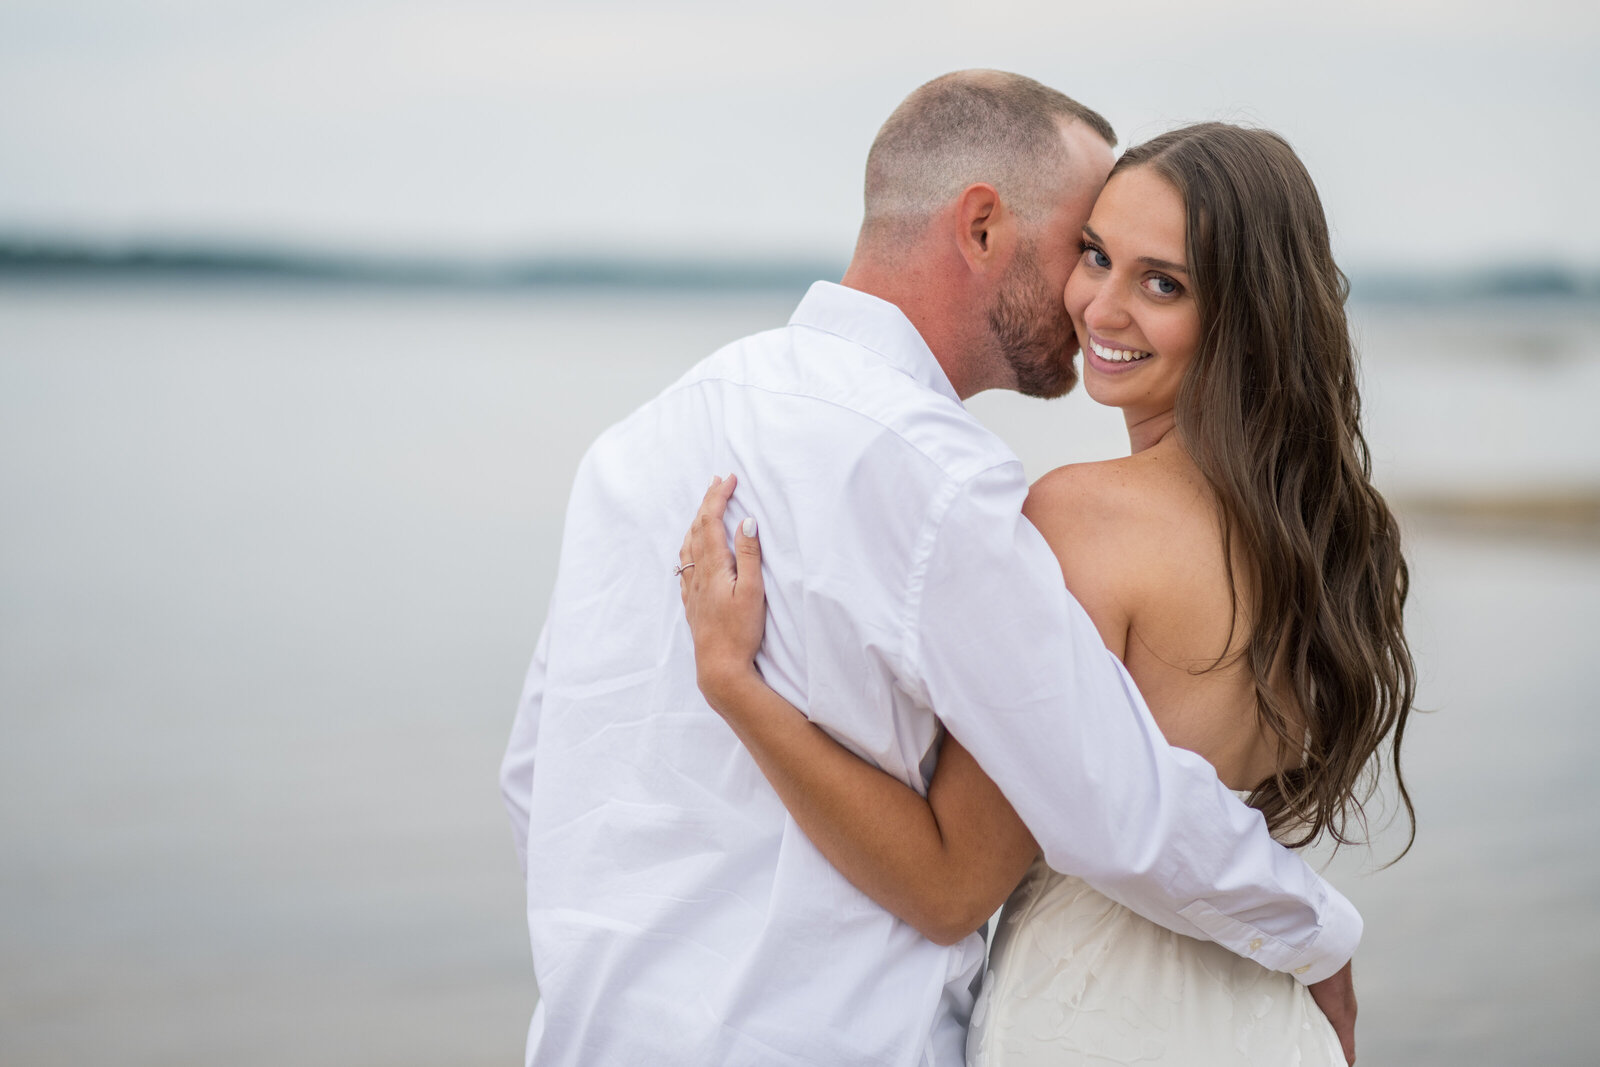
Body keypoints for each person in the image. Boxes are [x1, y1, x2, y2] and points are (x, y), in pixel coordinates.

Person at [500, 73, 1363, 1067]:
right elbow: (1113, 805)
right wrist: (1318, 933)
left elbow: (536, 776)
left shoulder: (638, 445)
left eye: (1145, 270)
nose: (1093, 300)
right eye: (1083, 246)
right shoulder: (940, 478)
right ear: (985, 227)